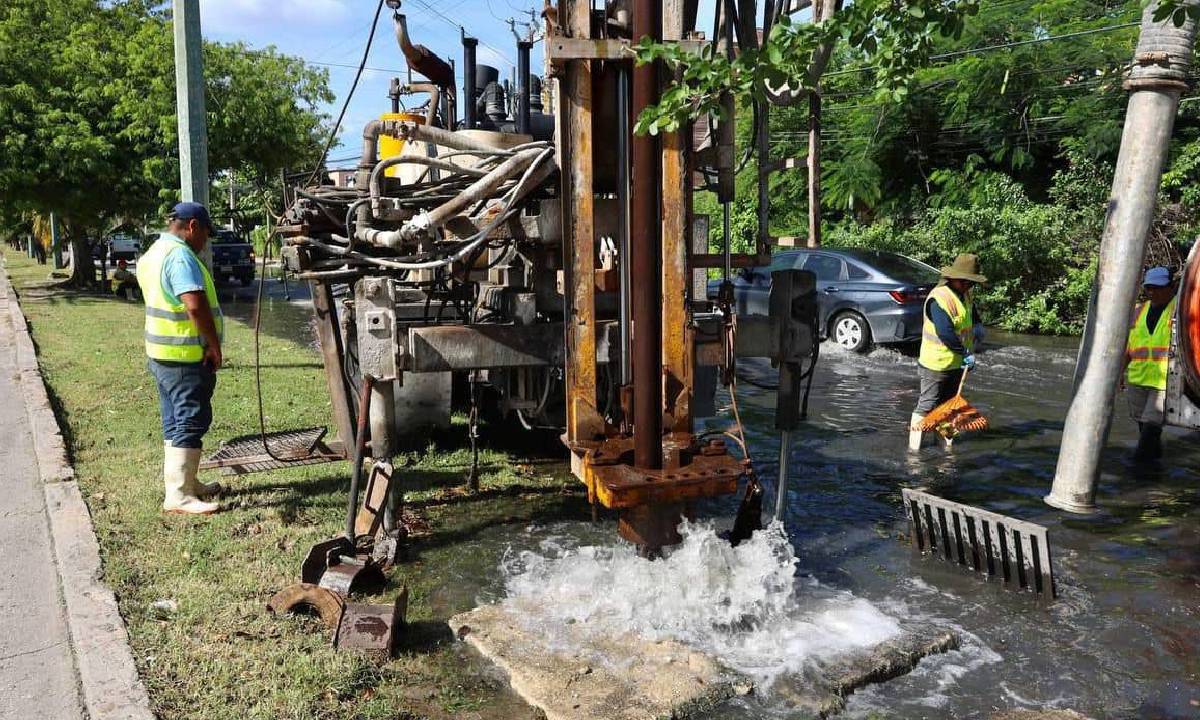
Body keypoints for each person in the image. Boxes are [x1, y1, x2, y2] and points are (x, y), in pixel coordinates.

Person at [136, 202, 225, 515]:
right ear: (192, 226)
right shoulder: (180, 256)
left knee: (174, 419)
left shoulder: (153, 253)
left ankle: (187, 482)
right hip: (185, 355)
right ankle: (179, 495)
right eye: (205, 234)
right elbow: (194, 304)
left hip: (161, 354)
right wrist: (213, 345)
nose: (205, 242)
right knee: (191, 418)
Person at [909, 253, 987, 452]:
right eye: (967, 282)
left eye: (972, 283)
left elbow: (973, 315)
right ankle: (914, 450)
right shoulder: (939, 299)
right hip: (936, 364)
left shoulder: (965, 294)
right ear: (955, 279)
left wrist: (978, 326)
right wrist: (965, 353)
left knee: (949, 407)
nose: (970, 286)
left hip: (957, 364)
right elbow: (945, 332)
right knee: (927, 405)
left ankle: (945, 446)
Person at [1122, 266, 1176, 463]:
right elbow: (1129, 346)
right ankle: (1155, 471)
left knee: (1150, 430)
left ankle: (1138, 473)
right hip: (1138, 379)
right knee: (1145, 429)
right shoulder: (1139, 311)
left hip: (1166, 382)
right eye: (1149, 287)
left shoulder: (1181, 309)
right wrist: (1120, 373)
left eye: (1158, 287)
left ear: (1171, 287)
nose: (1153, 292)